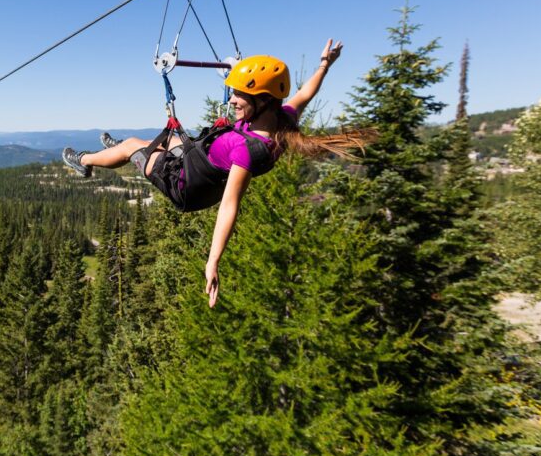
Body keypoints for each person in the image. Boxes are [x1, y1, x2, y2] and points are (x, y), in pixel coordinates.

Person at [62, 39, 373, 307]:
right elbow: (305, 94)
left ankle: (86, 162)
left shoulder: (248, 150)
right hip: (197, 159)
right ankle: (121, 153)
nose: (233, 100)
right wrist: (324, 65)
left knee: (133, 145)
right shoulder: (280, 121)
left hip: (184, 183)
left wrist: (213, 261)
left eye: (239, 95)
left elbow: (229, 205)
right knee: (158, 141)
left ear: (263, 100)